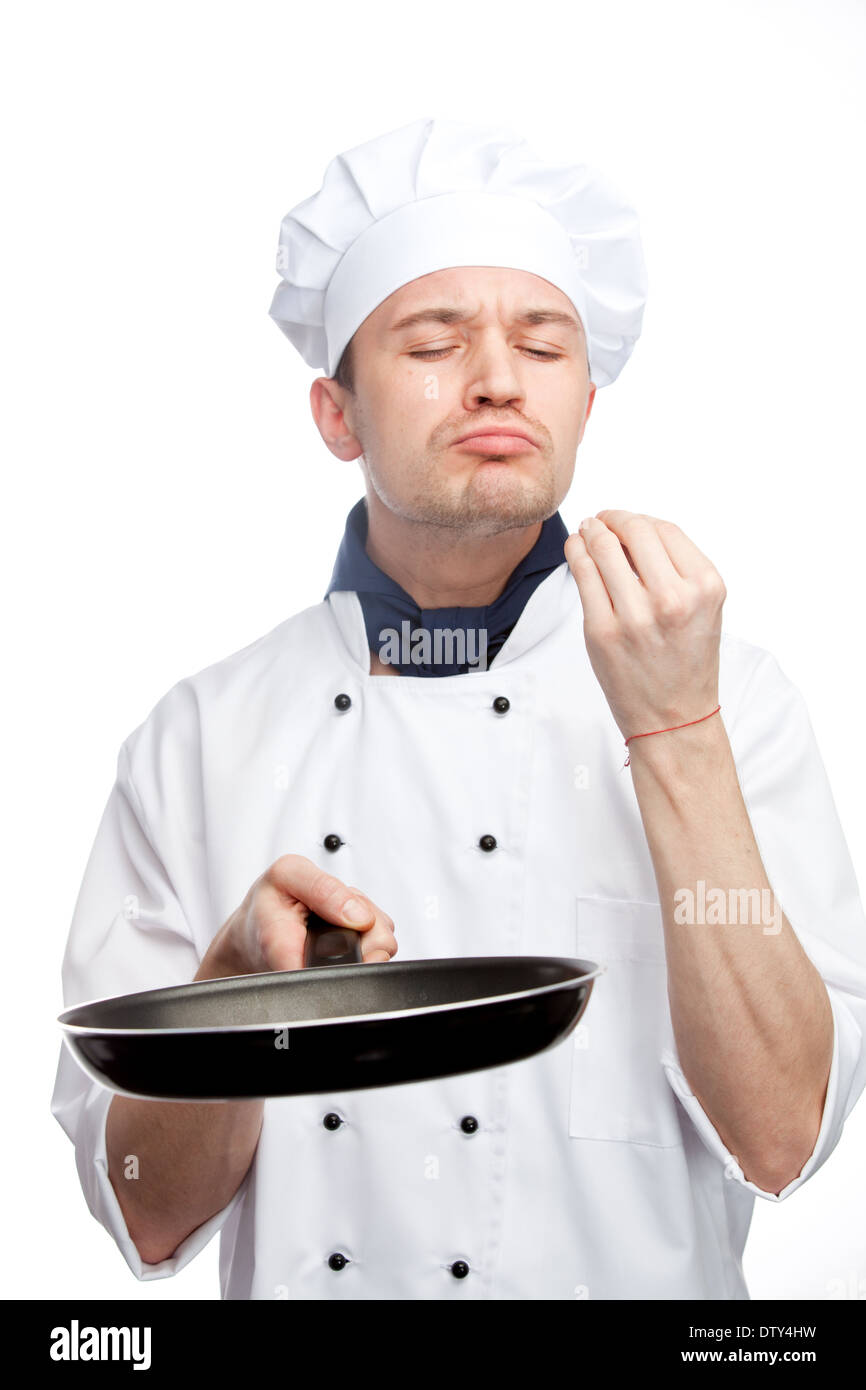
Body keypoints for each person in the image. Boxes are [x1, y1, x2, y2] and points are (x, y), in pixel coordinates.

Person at [51, 117, 866, 1300]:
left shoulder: (729, 694)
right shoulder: (200, 737)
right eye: (432, 341)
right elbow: (140, 1202)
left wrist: (674, 734)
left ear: (584, 402)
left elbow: (784, 1138)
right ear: (337, 415)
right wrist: (235, 999)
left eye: (541, 345)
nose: (494, 376)